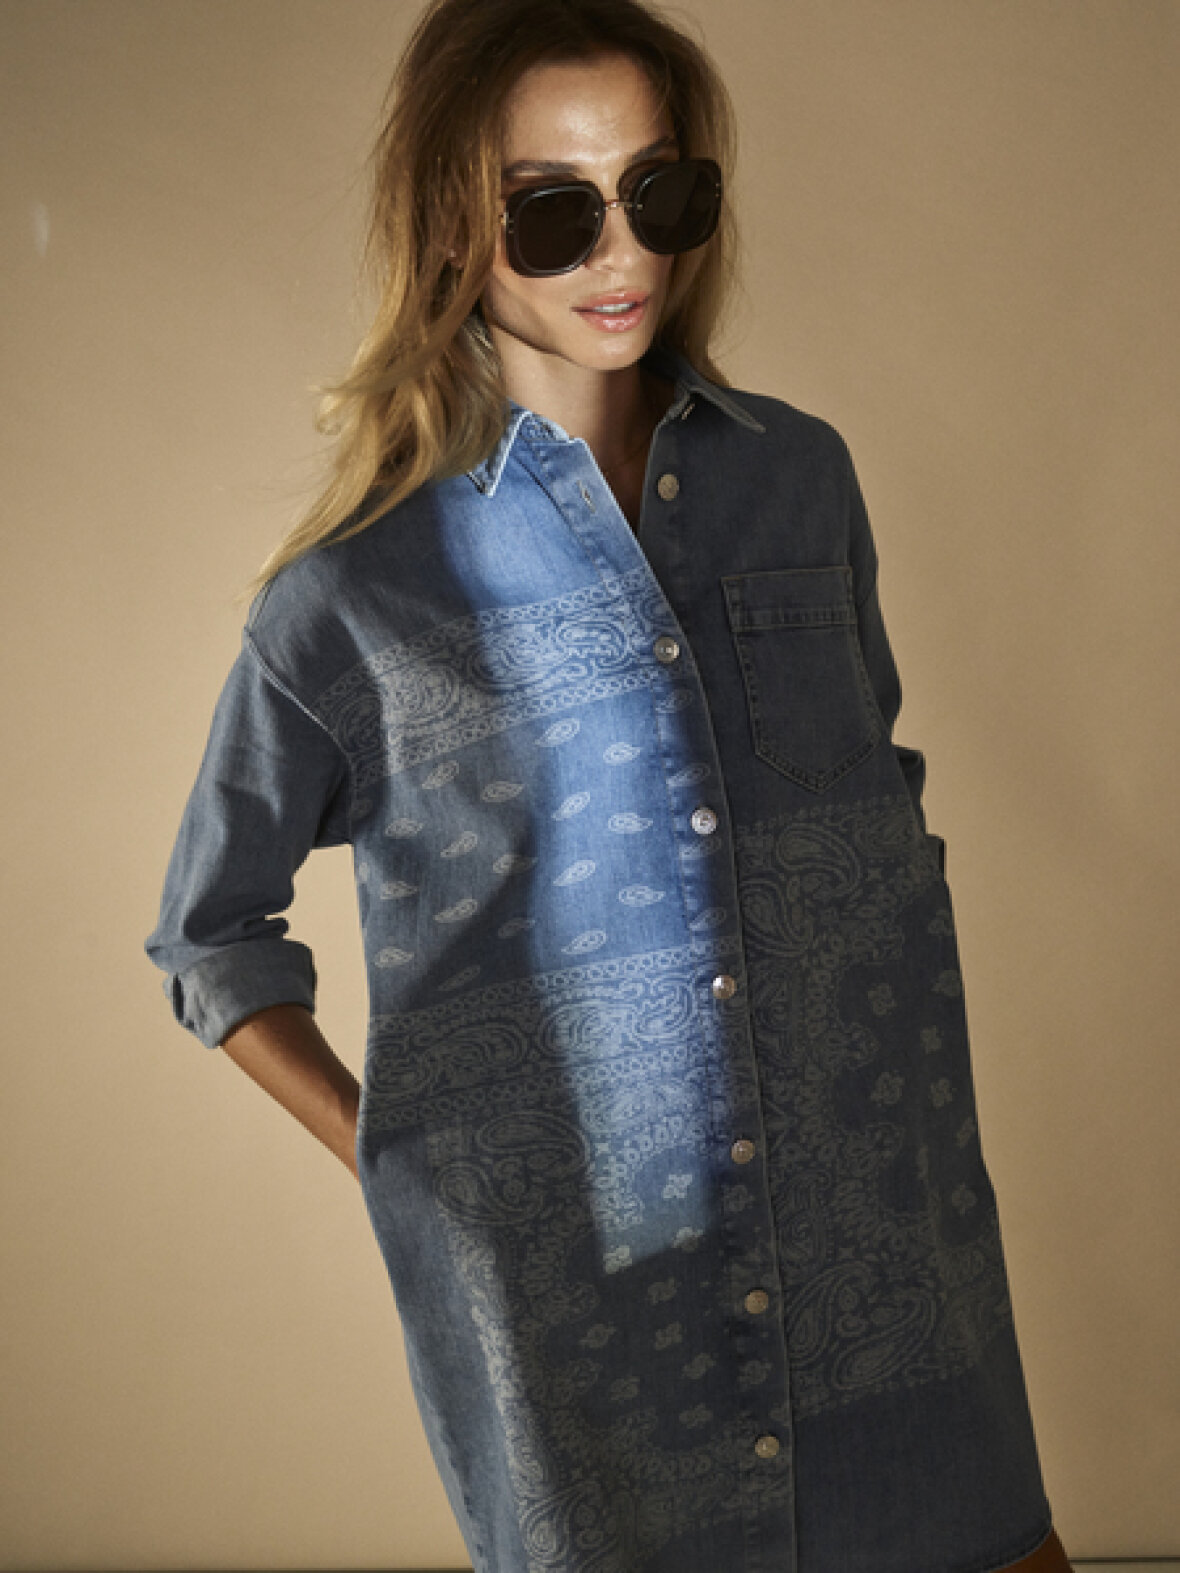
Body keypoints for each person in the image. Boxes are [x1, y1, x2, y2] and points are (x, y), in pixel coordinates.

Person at [145, 1, 1075, 1569]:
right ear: (458, 225)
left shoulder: (802, 480)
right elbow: (208, 934)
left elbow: (874, 811)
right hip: (596, 1322)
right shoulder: (361, 599)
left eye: (660, 190)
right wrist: (408, 1164)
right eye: (554, 209)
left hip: (886, 1263)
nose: (623, 250)